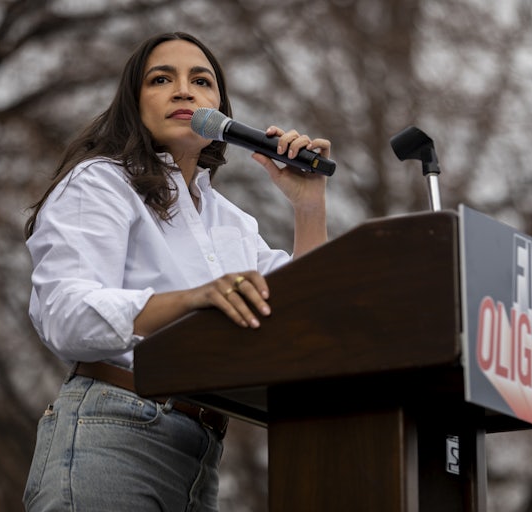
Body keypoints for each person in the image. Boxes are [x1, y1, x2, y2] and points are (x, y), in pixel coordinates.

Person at [22, 31, 329, 511]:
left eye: (202, 81)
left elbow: (302, 314)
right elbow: (65, 315)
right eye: (161, 79)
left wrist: (309, 208)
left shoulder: (231, 221)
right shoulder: (101, 182)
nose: (184, 91)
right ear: (133, 103)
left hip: (201, 450)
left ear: (220, 110)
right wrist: (191, 300)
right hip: (112, 431)